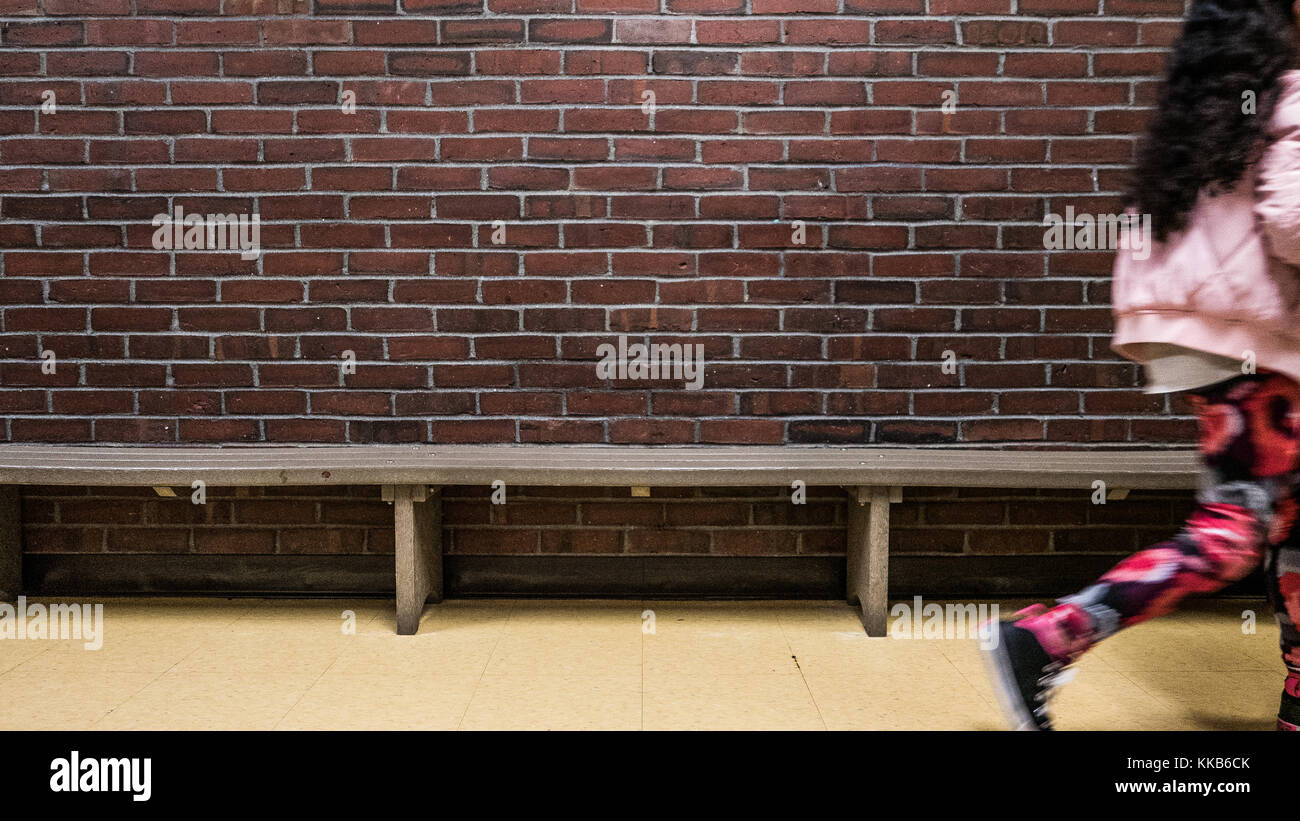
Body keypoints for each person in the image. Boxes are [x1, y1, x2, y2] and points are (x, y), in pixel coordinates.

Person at [983, 0, 1300, 731]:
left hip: (1210, 334)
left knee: (1288, 524)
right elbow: (1290, 222)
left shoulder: (1215, 98)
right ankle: (1042, 637)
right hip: (1252, 339)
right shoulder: (1291, 90)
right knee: (1237, 527)